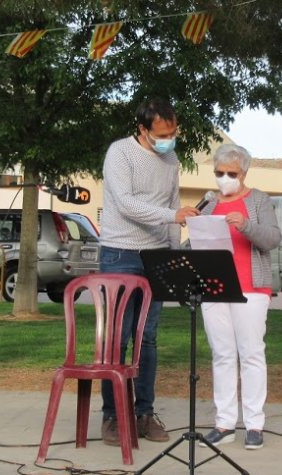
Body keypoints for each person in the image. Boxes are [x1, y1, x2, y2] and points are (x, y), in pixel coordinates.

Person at [99, 97, 200, 446]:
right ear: (142, 129)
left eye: (173, 132)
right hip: (120, 252)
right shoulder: (119, 154)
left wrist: (172, 253)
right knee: (118, 338)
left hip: (157, 253)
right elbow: (126, 203)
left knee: (149, 338)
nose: (169, 138)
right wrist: (172, 217)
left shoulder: (171, 158)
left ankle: (144, 412)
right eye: (162, 133)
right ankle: (111, 417)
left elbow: (173, 203)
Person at [197, 143, 282, 450]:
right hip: (214, 288)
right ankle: (224, 422)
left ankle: (254, 423)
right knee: (221, 354)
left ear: (244, 173)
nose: (224, 178)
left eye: (231, 173)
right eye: (219, 173)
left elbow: (273, 238)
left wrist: (245, 225)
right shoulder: (208, 203)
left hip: (250, 288)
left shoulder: (258, 200)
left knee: (251, 354)